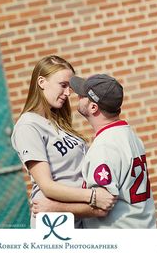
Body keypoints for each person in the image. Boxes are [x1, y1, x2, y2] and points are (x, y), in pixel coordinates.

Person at [33, 73, 157, 228]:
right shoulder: (129, 134)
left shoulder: (104, 147)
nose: (76, 96)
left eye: (82, 95)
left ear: (93, 107)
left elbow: (102, 207)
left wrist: (54, 208)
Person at [11, 56, 116, 228]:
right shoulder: (27, 126)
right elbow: (47, 187)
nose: (68, 93)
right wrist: (93, 196)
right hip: (54, 223)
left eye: (69, 87)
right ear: (42, 82)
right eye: (63, 85)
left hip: (79, 215)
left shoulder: (58, 122)